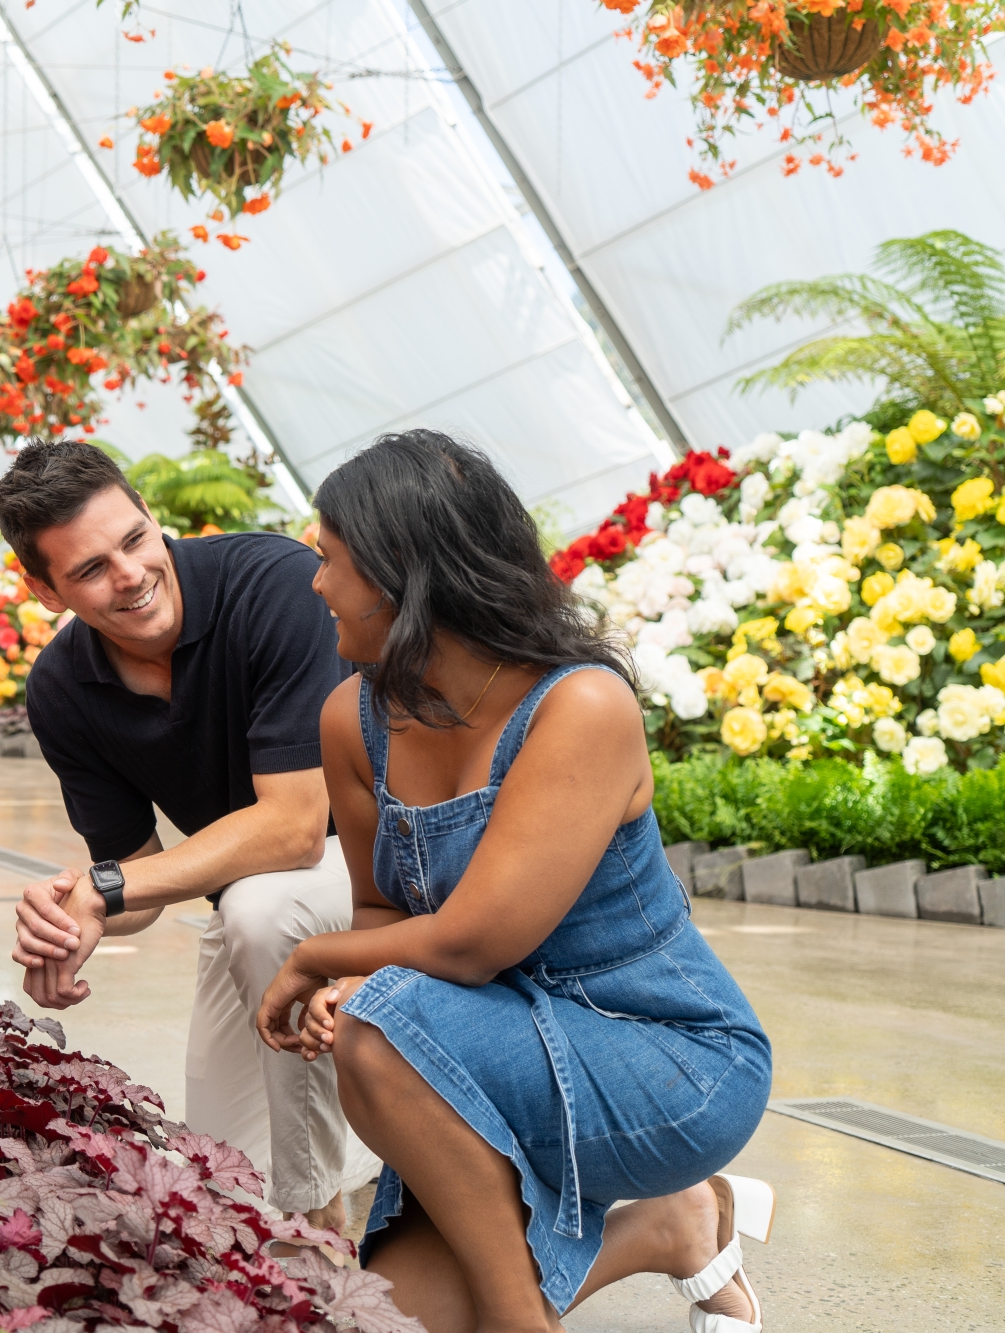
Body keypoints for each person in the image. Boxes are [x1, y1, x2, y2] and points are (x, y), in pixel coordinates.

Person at [258, 429, 775, 1333]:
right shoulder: (355, 717)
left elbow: (470, 941)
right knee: (382, 1319)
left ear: (399, 572)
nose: (316, 584)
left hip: (664, 1056)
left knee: (378, 1029)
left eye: (329, 558)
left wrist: (317, 960)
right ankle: (669, 1224)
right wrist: (349, 977)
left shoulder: (580, 705)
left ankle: (516, 1320)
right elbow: (387, 906)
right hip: (483, 1053)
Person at [0, 438, 368, 1230]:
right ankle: (331, 1193)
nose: (129, 574)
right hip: (256, 909)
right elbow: (137, 880)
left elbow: (298, 829)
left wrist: (110, 887)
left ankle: (323, 1230)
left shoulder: (270, 583)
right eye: (90, 569)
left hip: (393, 872)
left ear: (151, 518)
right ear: (45, 589)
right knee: (217, 1183)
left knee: (264, 909)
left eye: (134, 539)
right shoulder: (63, 688)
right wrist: (75, 913)